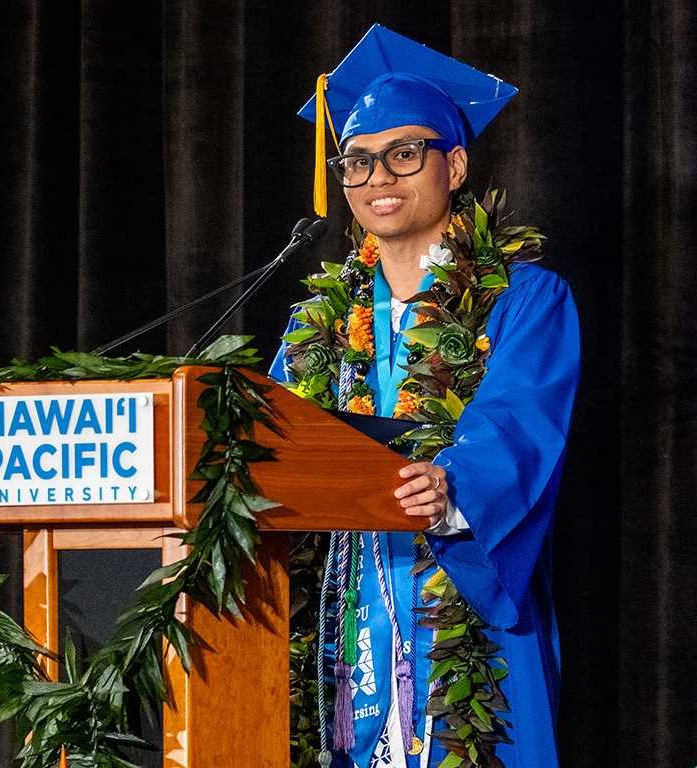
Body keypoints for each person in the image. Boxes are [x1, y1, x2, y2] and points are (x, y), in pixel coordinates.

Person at [270, 25, 579, 768]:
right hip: (345, 614)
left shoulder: (523, 299)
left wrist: (451, 489)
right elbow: (274, 438)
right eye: (358, 160)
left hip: (464, 607)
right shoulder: (316, 324)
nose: (379, 178)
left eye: (405, 154)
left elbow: (518, 421)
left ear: (456, 165)